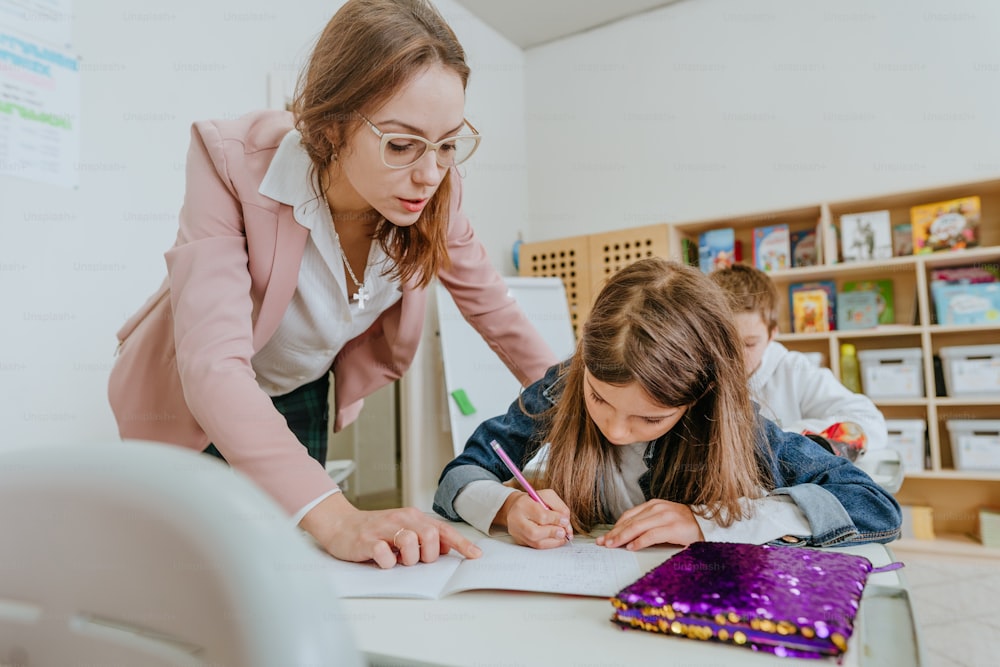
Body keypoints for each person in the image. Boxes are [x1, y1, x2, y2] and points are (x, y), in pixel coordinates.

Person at [107, 0, 558, 569]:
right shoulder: (231, 162)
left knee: (291, 563)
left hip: (302, 390)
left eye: (448, 143)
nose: (430, 173)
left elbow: (499, 314)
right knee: (196, 565)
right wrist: (339, 515)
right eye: (402, 144)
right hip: (193, 396)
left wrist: (586, 416)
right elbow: (214, 368)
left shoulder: (437, 188)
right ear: (331, 124)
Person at [433, 258, 901, 551]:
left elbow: (873, 505)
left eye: (650, 417)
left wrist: (710, 522)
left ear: (700, 399)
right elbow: (461, 474)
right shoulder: (563, 386)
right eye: (599, 399)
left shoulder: (735, 422)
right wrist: (507, 507)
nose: (616, 431)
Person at [709, 264, 888, 453]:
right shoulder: (696, 372)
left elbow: (870, 423)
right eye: (725, 343)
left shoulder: (793, 370)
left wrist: (785, 438)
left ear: (772, 335)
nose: (736, 356)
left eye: (749, 344)